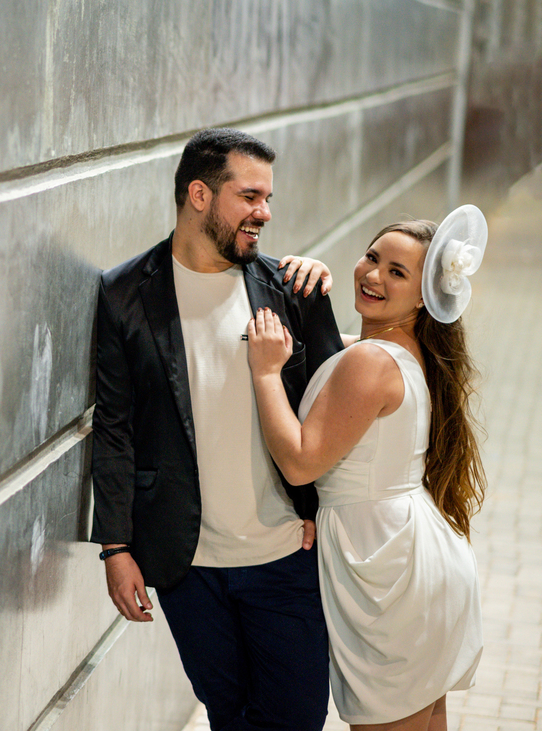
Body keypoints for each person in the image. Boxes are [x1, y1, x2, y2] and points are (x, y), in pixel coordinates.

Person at [90, 128, 343, 730]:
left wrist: (324, 508)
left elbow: (335, 411)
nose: (265, 213)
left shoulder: (291, 289)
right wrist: (116, 548)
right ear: (199, 195)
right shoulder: (125, 293)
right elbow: (115, 428)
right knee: (228, 715)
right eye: (250, 196)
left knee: (297, 716)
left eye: (268, 198)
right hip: (187, 564)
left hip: (286, 553)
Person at [246, 207, 486, 731]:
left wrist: (265, 373)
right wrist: (314, 281)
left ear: (424, 295)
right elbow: (331, 354)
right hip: (410, 556)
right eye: (372, 257)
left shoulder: (371, 362)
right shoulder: (399, 349)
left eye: (396, 272)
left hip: (389, 571)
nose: (373, 275)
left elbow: (300, 463)